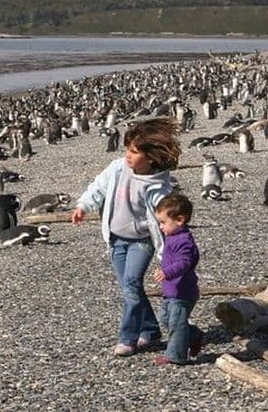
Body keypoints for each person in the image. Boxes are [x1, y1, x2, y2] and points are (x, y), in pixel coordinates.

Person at [72, 118, 181, 357]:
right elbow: (98, 187)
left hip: (140, 242)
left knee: (131, 284)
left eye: (133, 152)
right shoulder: (118, 168)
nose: (128, 156)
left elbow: (164, 221)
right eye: (127, 150)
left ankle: (127, 338)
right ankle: (150, 330)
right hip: (115, 238)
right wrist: (83, 206)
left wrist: (169, 255)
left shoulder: (158, 186)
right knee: (129, 288)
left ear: (150, 157)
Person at [152, 193, 203, 365]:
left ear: (180, 220)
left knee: (176, 323)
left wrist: (167, 273)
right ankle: (194, 335)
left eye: (163, 222)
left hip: (183, 291)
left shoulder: (184, 241)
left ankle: (176, 355)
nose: (161, 227)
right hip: (171, 290)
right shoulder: (173, 237)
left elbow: (185, 263)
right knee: (165, 319)